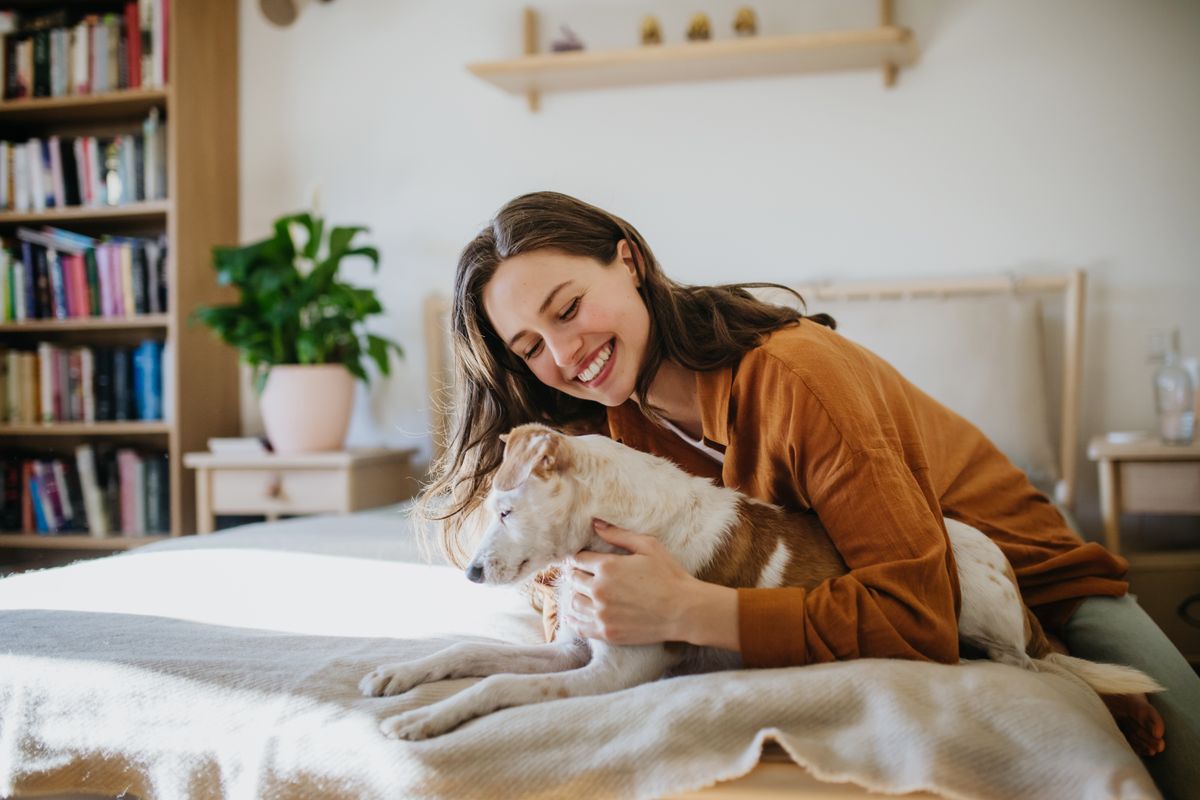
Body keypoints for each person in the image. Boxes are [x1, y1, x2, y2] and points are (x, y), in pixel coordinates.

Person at [418, 191, 1199, 797]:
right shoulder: (619, 429)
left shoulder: (799, 379)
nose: (564, 352)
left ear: (629, 262)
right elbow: (575, 583)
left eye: (568, 308)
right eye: (530, 348)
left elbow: (917, 610)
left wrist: (687, 610)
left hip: (1039, 588)